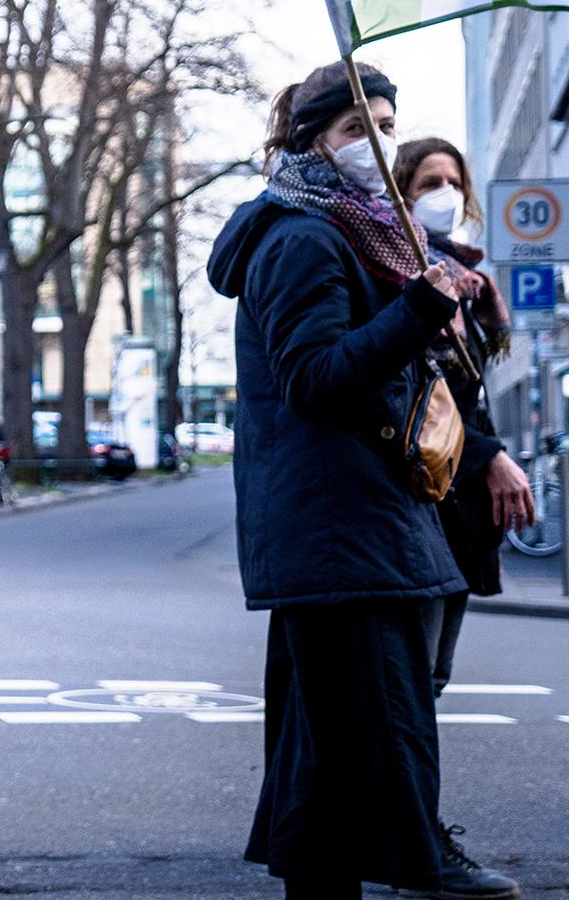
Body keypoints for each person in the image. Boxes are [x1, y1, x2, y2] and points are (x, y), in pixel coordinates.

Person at [207, 61, 519, 900]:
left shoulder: (354, 231)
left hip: (348, 521)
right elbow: (313, 377)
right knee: (386, 717)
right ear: (312, 142)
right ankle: (424, 854)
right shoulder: (303, 237)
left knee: (328, 737)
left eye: (385, 125)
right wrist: (418, 306)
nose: (376, 143)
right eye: (357, 129)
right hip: (341, 525)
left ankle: (326, 876)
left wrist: (443, 312)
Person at [397, 136, 534, 887]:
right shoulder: (406, 272)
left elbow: (466, 398)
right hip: (425, 503)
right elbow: (424, 396)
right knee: (410, 690)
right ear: (403, 190)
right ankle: (416, 849)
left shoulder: (472, 281)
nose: (443, 192)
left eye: (453, 180)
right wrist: (493, 458)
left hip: (456, 507)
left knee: (429, 682)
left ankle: (403, 840)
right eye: (427, 181)